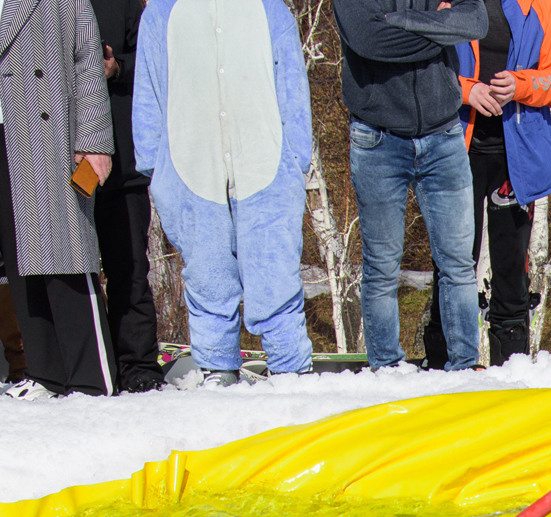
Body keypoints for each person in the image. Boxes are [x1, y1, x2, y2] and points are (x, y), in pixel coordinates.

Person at [133, 0, 316, 388]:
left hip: (265, 162)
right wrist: (155, 165)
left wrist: (295, 156)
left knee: (275, 270)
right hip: (190, 165)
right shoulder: (161, 14)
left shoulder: (270, 9)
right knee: (205, 272)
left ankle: (290, 366)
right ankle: (217, 367)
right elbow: (148, 87)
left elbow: (292, 83)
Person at [331, 0, 488, 371]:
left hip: (444, 133)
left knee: (458, 264)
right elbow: (369, 41)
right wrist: (438, 26)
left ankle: (465, 368)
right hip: (378, 139)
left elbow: (475, 20)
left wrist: (400, 21)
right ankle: (386, 370)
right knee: (382, 266)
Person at [419, 0, 551, 368]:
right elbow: (422, 70)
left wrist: (520, 85)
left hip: (517, 157)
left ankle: (513, 374)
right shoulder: (444, 3)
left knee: (511, 271)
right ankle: (441, 367)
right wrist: (465, 90)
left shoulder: (539, 5)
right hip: (456, 149)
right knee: (453, 264)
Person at [0, 0, 117, 400]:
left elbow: (88, 63)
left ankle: (90, 377)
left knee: (65, 251)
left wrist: (95, 140)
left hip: (44, 130)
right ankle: (45, 371)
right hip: (3, 131)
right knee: (18, 257)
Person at [90, 0, 160, 391]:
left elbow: (152, 60)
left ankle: (138, 367)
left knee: (129, 268)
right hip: (56, 166)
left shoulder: (122, 4)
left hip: (122, 160)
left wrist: (117, 68)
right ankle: (90, 364)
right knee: (72, 278)